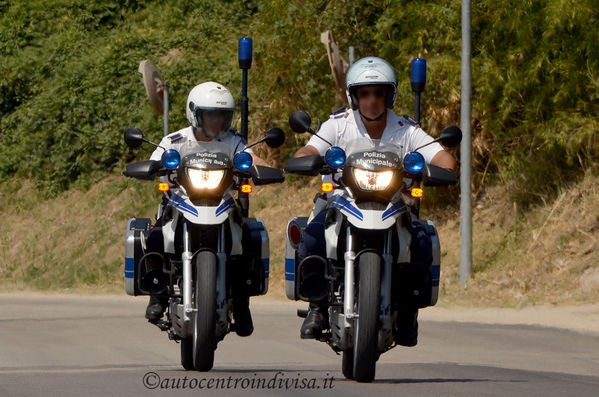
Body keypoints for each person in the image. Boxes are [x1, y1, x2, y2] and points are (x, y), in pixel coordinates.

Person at [293, 57, 456, 346]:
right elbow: (307, 149)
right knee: (313, 236)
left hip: (391, 204)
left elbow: (443, 157)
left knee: (420, 242)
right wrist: (311, 158)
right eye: (365, 93)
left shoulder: (406, 129)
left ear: (389, 95)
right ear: (353, 96)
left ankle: (408, 313)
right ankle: (317, 308)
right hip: (341, 201)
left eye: (379, 92)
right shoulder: (337, 125)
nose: (372, 100)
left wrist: (438, 167)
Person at [144, 81, 267, 337]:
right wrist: (150, 167)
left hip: (221, 203)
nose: (216, 120)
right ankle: (158, 295)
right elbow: (154, 161)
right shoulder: (175, 140)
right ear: (195, 114)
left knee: (248, 239)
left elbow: (252, 159)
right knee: (154, 236)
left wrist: (260, 167)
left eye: (222, 115)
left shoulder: (233, 141)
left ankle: (242, 303)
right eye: (210, 114)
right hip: (181, 203)